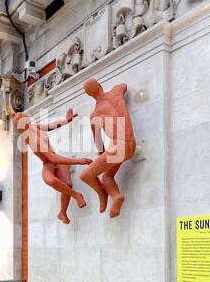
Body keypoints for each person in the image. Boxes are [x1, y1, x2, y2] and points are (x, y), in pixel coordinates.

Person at [14, 109, 91, 225]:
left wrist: (67, 121)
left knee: (68, 184)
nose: (28, 117)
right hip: (49, 163)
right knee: (50, 180)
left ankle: (62, 212)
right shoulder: (33, 140)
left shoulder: (34, 127)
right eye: (25, 117)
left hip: (55, 159)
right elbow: (52, 159)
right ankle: (76, 195)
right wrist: (78, 161)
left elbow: (50, 126)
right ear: (24, 123)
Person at [80, 78, 136, 218]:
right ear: (100, 85)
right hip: (131, 146)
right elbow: (124, 85)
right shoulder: (117, 92)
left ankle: (102, 194)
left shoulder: (95, 115)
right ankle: (116, 197)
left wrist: (102, 158)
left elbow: (99, 144)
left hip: (118, 149)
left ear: (90, 95)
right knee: (107, 178)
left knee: (85, 175)